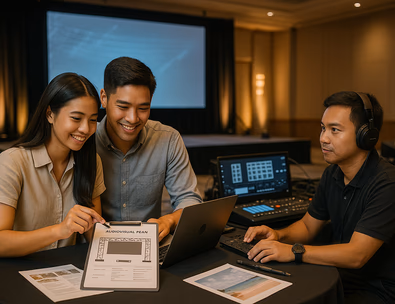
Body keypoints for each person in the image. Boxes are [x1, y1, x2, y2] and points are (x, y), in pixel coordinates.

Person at [244, 91, 395, 303]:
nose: (323, 138)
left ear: (366, 135)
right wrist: (278, 236)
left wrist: (294, 251)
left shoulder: (387, 184)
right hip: (339, 274)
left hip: (380, 289)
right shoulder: (332, 173)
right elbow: (307, 227)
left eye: (335, 130)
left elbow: (356, 255)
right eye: (323, 128)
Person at [0, 73, 107, 257]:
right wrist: (60, 230)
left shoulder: (91, 161)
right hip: (18, 273)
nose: (85, 129)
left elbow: (95, 235)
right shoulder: (13, 161)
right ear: (50, 114)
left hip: (68, 273)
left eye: (92, 120)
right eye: (76, 118)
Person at [96, 57, 202, 241]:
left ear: (151, 100)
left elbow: (189, 199)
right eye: (123, 106)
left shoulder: (168, 139)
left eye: (143, 108)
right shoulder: (85, 140)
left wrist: (169, 220)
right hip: (94, 244)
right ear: (104, 98)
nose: (132, 118)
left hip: (149, 244)